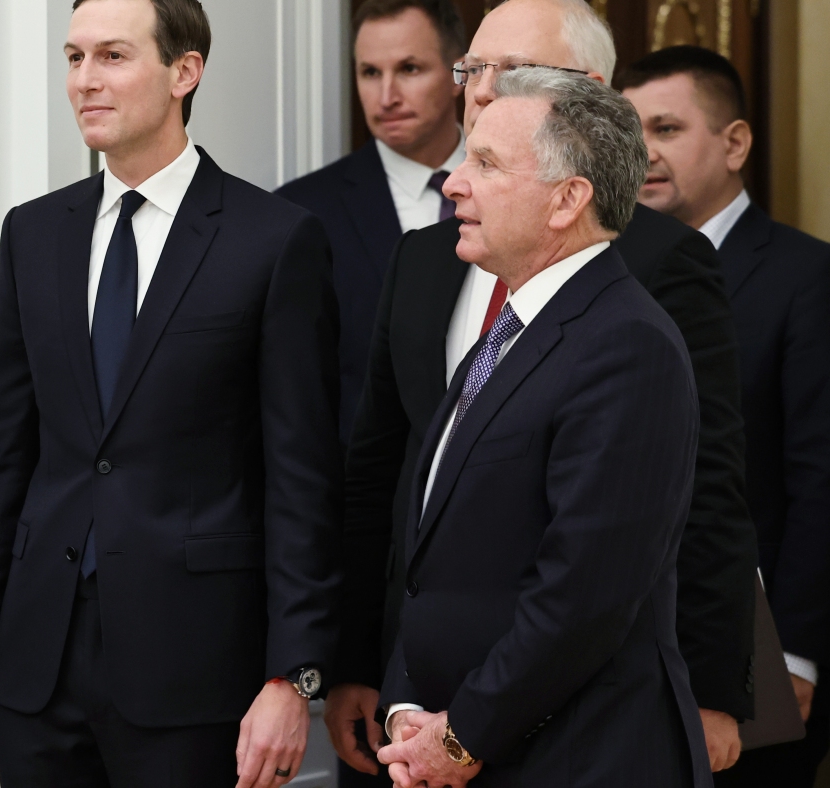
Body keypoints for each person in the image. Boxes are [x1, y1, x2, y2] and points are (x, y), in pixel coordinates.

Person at [327, 0, 759, 775]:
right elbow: (394, 487)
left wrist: (715, 687)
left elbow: (653, 534)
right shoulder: (450, 279)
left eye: (513, 73)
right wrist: (393, 690)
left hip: (574, 735)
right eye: (473, 69)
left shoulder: (638, 314)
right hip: (431, 715)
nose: (481, 90)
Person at [0, 0, 342, 785]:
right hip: (38, 663)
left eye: (113, 56)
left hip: (196, 668)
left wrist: (293, 676)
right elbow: (5, 460)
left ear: (184, 71)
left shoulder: (274, 239)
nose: (84, 80)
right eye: (74, 58)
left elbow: (303, 481)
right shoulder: (32, 234)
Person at [373, 67, 709, 788]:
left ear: (567, 200)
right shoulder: (513, 329)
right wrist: (405, 705)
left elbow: (583, 597)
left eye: (487, 164)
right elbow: (433, 559)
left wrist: (460, 738)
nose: (454, 183)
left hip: (581, 759)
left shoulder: (627, 345)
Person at [619, 45, 830, 787]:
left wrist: (798, 654)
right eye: (630, 132)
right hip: (624, 656)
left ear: (735, 143)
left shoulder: (807, 277)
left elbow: (821, 478)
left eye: (667, 129)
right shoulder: (607, 273)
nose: (643, 153)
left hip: (758, 653)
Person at [277, 0, 467, 443]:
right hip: (364, 479)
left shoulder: (518, 191)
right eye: (369, 73)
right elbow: (295, 398)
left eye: (409, 69)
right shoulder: (300, 214)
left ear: (460, 74)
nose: (386, 97)